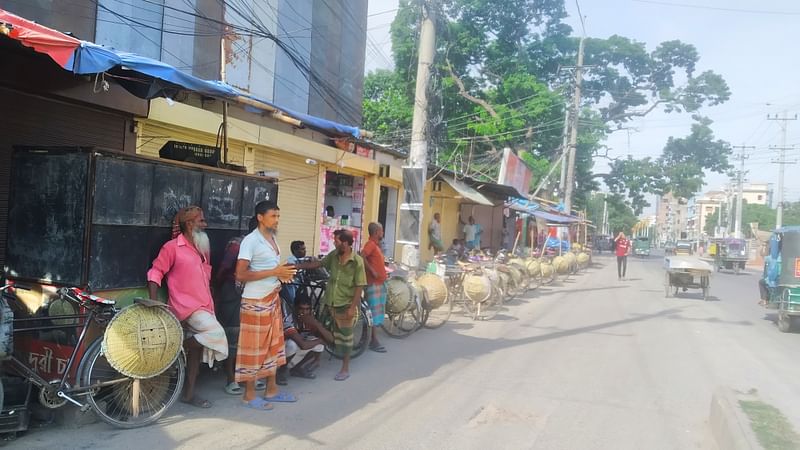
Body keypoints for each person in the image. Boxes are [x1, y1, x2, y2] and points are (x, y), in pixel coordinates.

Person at [147, 206, 228, 409]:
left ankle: (189, 394)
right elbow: (156, 273)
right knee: (216, 334)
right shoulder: (172, 247)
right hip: (186, 308)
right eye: (201, 221)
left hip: (205, 305)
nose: (205, 224)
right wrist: (154, 303)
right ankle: (180, 344)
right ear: (190, 224)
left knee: (196, 355)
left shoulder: (202, 249)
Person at [234, 201, 298, 410]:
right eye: (273, 216)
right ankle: (249, 395)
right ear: (260, 217)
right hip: (255, 301)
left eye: (278, 216)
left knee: (273, 346)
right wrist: (274, 273)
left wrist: (283, 274)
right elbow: (241, 274)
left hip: (272, 298)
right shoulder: (250, 241)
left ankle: (271, 390)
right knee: (253, 349)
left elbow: (272, 268)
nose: (277, 220)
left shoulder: (272, 239)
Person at [296, 229, 366, 381]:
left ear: (346, 243)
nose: (334, 243)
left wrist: (353, 307)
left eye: (337, 241)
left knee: (346, 338)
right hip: (330, 302)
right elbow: (319, 264)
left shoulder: (357, 262)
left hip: (346, 304)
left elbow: (360, 286)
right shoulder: (333, 256)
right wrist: (298, 266)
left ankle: (345, 368)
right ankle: (315, 361)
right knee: (322, 331)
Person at [213, 217, 263, 396]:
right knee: (233, 337)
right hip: (233, 295)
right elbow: (224, 270)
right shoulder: (237, 245)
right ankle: (231, 380)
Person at [282, 296, 326, 379]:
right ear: (295, 309)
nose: (304, 312)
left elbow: (321, 337)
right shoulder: (288, 321)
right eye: (301, 309)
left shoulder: (309, 319)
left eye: (307, 309)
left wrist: (316, 326)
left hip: (297, 345)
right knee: (292, 345)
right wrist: (321, 340)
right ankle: (281, 371)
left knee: (319, 345)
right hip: (282, 351)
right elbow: (303, 345)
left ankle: (296, 368)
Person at [362, 222, 388, 353]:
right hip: (373, 284)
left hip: (379, 283)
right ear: (377, 232)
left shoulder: (376, 246)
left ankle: (373, 339)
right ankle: (373, 340)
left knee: (377, 312)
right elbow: (362, 256)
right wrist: (372, 270)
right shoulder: (371, 244)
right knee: (373, 312)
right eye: (381, 231)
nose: (382, 233)